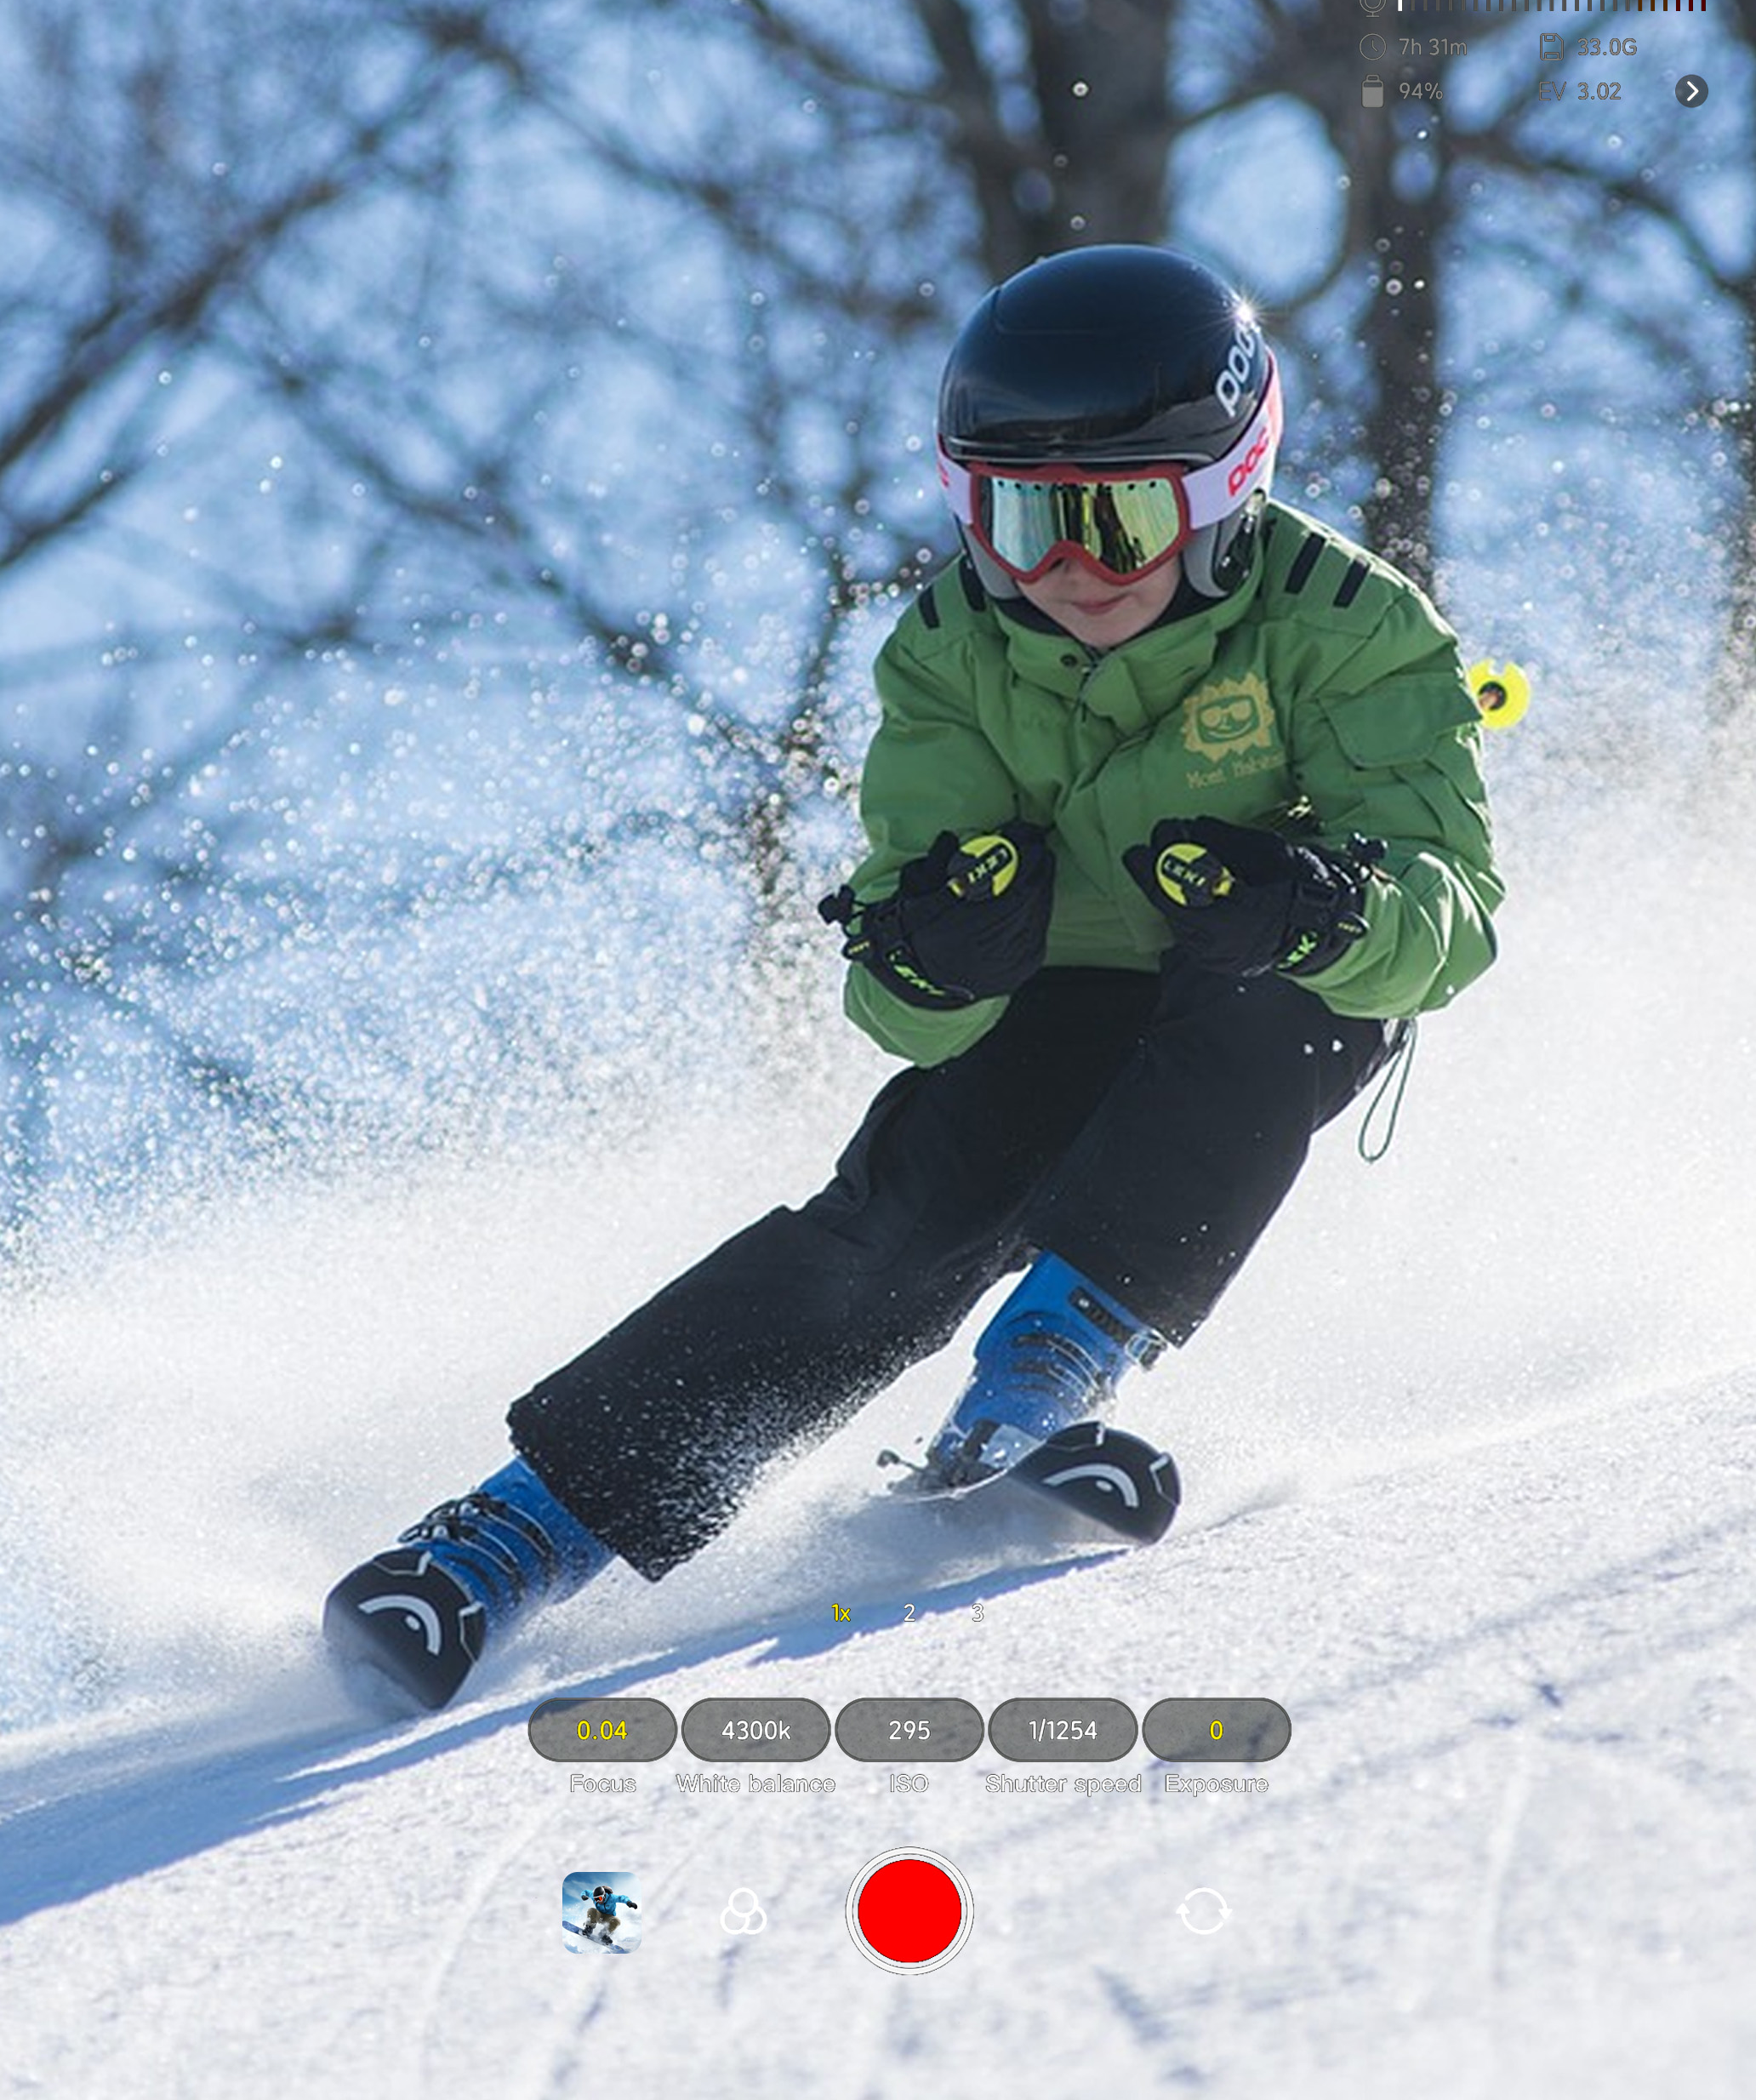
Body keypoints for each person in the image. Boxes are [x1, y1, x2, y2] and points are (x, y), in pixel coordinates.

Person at [324, 243, 1502, 1712]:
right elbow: (898, 1002)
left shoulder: (1352, 624)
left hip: (1261, 983)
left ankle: (1036, 1387)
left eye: (1120, 519)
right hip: (1055, 996)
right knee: (902, 1220)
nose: (1065, 570)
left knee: (1287, 1012)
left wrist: (1320, 907)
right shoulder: (951, 648)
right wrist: (937, 955)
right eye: (1018, 519)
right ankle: (511, 1537)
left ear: (1225, 495)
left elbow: (1454, 913)